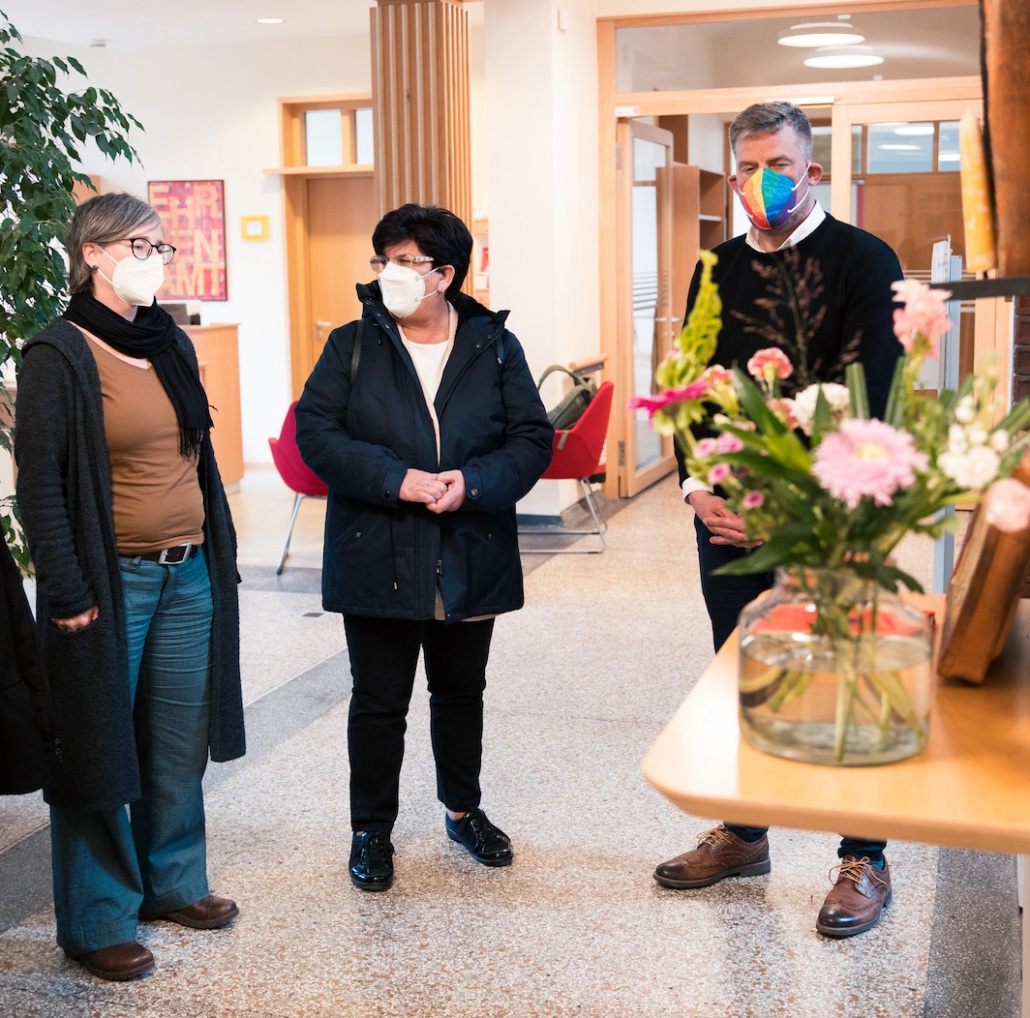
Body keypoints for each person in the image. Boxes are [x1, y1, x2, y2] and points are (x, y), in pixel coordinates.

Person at [653, 103, 905, 938]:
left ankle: (864, 857)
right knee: (741, 673)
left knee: (847, 682)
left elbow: (872, 389)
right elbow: (693, 380)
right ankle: (746, 832)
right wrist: (698, 487)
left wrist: (786, 505)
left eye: (783, 164)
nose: (767, 181)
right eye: (750, 166)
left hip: (830, 516)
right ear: (733, 176)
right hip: (725, 515)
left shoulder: (866, 260)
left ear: (813, 169)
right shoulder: (716, 266)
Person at [15, 192, 245, 981]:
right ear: (92, 253)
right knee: (96, 752)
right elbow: (39, 485)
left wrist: (220, 551)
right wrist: (69, 590)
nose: (155, 259)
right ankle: (96, 919)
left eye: (161, 247)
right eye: (140, 246)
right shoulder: (57, 353)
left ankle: (173, 883)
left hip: (189, 574)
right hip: (109, 586)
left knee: (176, 746)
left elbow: (196, 460)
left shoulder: (168, 342)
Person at [295, 203, 553, 893]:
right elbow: (315, 434)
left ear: (443, 275)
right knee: (378, 701)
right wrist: (395, 479)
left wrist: (471, 483)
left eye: (405, 262)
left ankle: (462, 811)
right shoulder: (352, 343)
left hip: (469, 545)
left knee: (460, 693)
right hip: (376, 545)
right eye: (384, 261)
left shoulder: (494, 346)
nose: (390, 274)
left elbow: (531, 439)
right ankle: (370, 831)